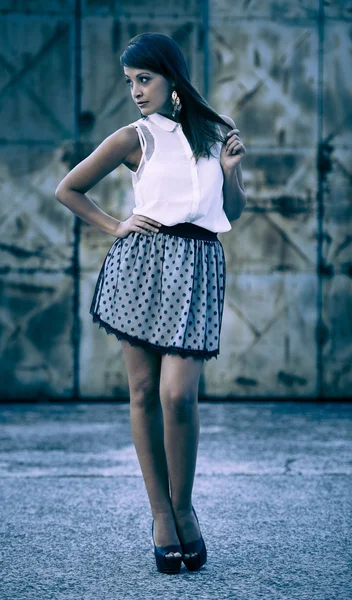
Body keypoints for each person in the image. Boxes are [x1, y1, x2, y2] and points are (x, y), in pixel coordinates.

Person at [55, 32, 246, 575]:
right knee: (143, 392)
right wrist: (116, 226)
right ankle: (162, 516)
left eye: (145, 79)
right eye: (130, 82)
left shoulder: (215, 134)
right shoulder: (132, 137)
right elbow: (68, 189)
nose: (136, 91)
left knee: (178, 396)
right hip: (142, 266)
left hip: (199, 264)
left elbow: (230, 212)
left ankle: (185, 510)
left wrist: (232, 173)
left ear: (172, 78)